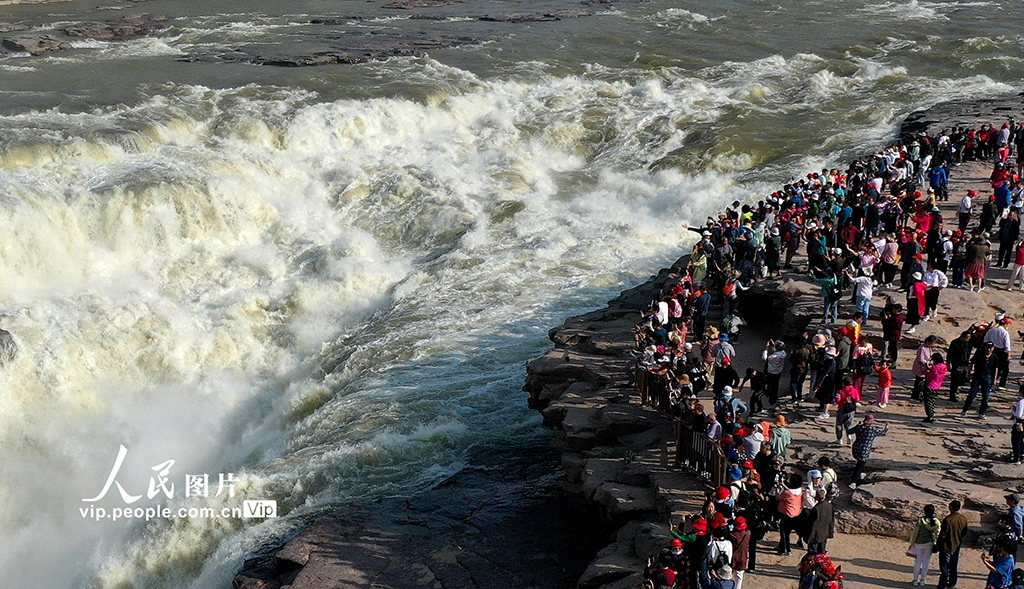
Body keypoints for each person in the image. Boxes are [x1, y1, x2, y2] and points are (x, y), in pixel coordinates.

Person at [849, 414, 888, 488]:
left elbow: (849, 431)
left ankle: (861, 474)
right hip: (865, 450)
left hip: (856, 448)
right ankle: (853, 482)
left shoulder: (859, 427)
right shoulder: (872, 430)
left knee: (860, 464)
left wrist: (857, 425)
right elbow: (883, 433)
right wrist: (886, 428)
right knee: (859, 466)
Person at [936, 500, 968, 589]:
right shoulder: (963, 518)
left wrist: (938, 545)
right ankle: (952, 584)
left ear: (951, 507)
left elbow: (943, 535)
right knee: (953, 566)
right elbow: (965, 531)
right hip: (957, 545)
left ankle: (943, 584)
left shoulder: (948, 519)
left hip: (947, 546)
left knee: (945, 568)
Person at [908, 504, 941, 586]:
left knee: (918, 561)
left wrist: (912, 543)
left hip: (919, 543)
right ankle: (923, 580)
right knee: (926, 562)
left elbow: (915, 533)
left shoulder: (920, 521)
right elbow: (938, 533)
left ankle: (915, 580)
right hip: (930, 544)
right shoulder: (936, 522)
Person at [963, 342, 998, 419]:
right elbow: (972, 363)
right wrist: (969, 374)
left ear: (993, 348)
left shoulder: (994, 357)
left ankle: (982, 412)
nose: (989, 350)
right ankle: (965, 409)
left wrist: (994, 379)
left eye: (990, 348)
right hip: (977, 376)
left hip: (987, 377)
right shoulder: (979, 354)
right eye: (987, 348)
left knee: (985, 396)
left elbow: (995, 368)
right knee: (972, 394)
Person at [776, 474, 804, 556]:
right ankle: (781, 546)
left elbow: (778, 497)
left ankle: (786, 549)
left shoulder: (787, 493)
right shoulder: (799, 491)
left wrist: (778, 489)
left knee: (784, 533)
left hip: (786, 514)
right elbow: (791, 491)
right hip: (795, 513)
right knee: (787, 532)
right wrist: (783, 485)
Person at [985, 313, 1012, 391]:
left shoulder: (991, 330)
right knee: (1004, 369)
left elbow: (985, 340)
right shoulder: (1004, 332)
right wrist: (1008, 355)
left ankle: (991, 383)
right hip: (1002, 351)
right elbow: (1007, 345)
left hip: (992, 349)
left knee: (993, 367)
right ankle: (1001, 384)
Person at [948, 330, 974, 403]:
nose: (968, 339)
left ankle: (957, 388)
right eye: (967, 338)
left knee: (964, 378)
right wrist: (949, 363)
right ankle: (952, 395)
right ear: (962, 337)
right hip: (956, 364)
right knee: (954, 381)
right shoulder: (955, 343)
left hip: (965, 364)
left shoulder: (968, 344)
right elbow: (950, 353)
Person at [806, 488, 834, 555]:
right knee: (822, 552)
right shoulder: (830, 506)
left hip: (815, 534)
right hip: (824, 533)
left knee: (812, 553)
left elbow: (811, 523)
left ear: (817, 497)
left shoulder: (816, 509)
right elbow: (832, 520)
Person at [923, 352, 949, 423]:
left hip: (930, 385)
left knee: (928, 402)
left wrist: (926, 369)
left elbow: (929, 375)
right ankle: (931, 415)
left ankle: (930, 416)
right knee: (933, 401)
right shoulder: (944, 366)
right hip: (937, 386)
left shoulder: (935, 368)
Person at [834, 377, 860, 445]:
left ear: (844, 383)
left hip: (842, 409)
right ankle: (849, 436)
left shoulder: (840, 391)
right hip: (851, 410)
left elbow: (837, 400)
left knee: (839, 424)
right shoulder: (854, 390)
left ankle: (839, 439)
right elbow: (857, 399)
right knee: (849, 424)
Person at [728, 517, 751, 589]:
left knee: (728, 576)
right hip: (743, 558)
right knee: (739, 578)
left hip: (733, 558)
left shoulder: (732, 535)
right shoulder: (748, 533)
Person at [1013, 385, 1024, 465]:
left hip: (1020, 423)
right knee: (1022, 440)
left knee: (1016, 441)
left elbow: (1019, 415)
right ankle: (1022, 456)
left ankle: (1017, 459)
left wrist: (1013, 410)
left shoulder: (1021, 402)